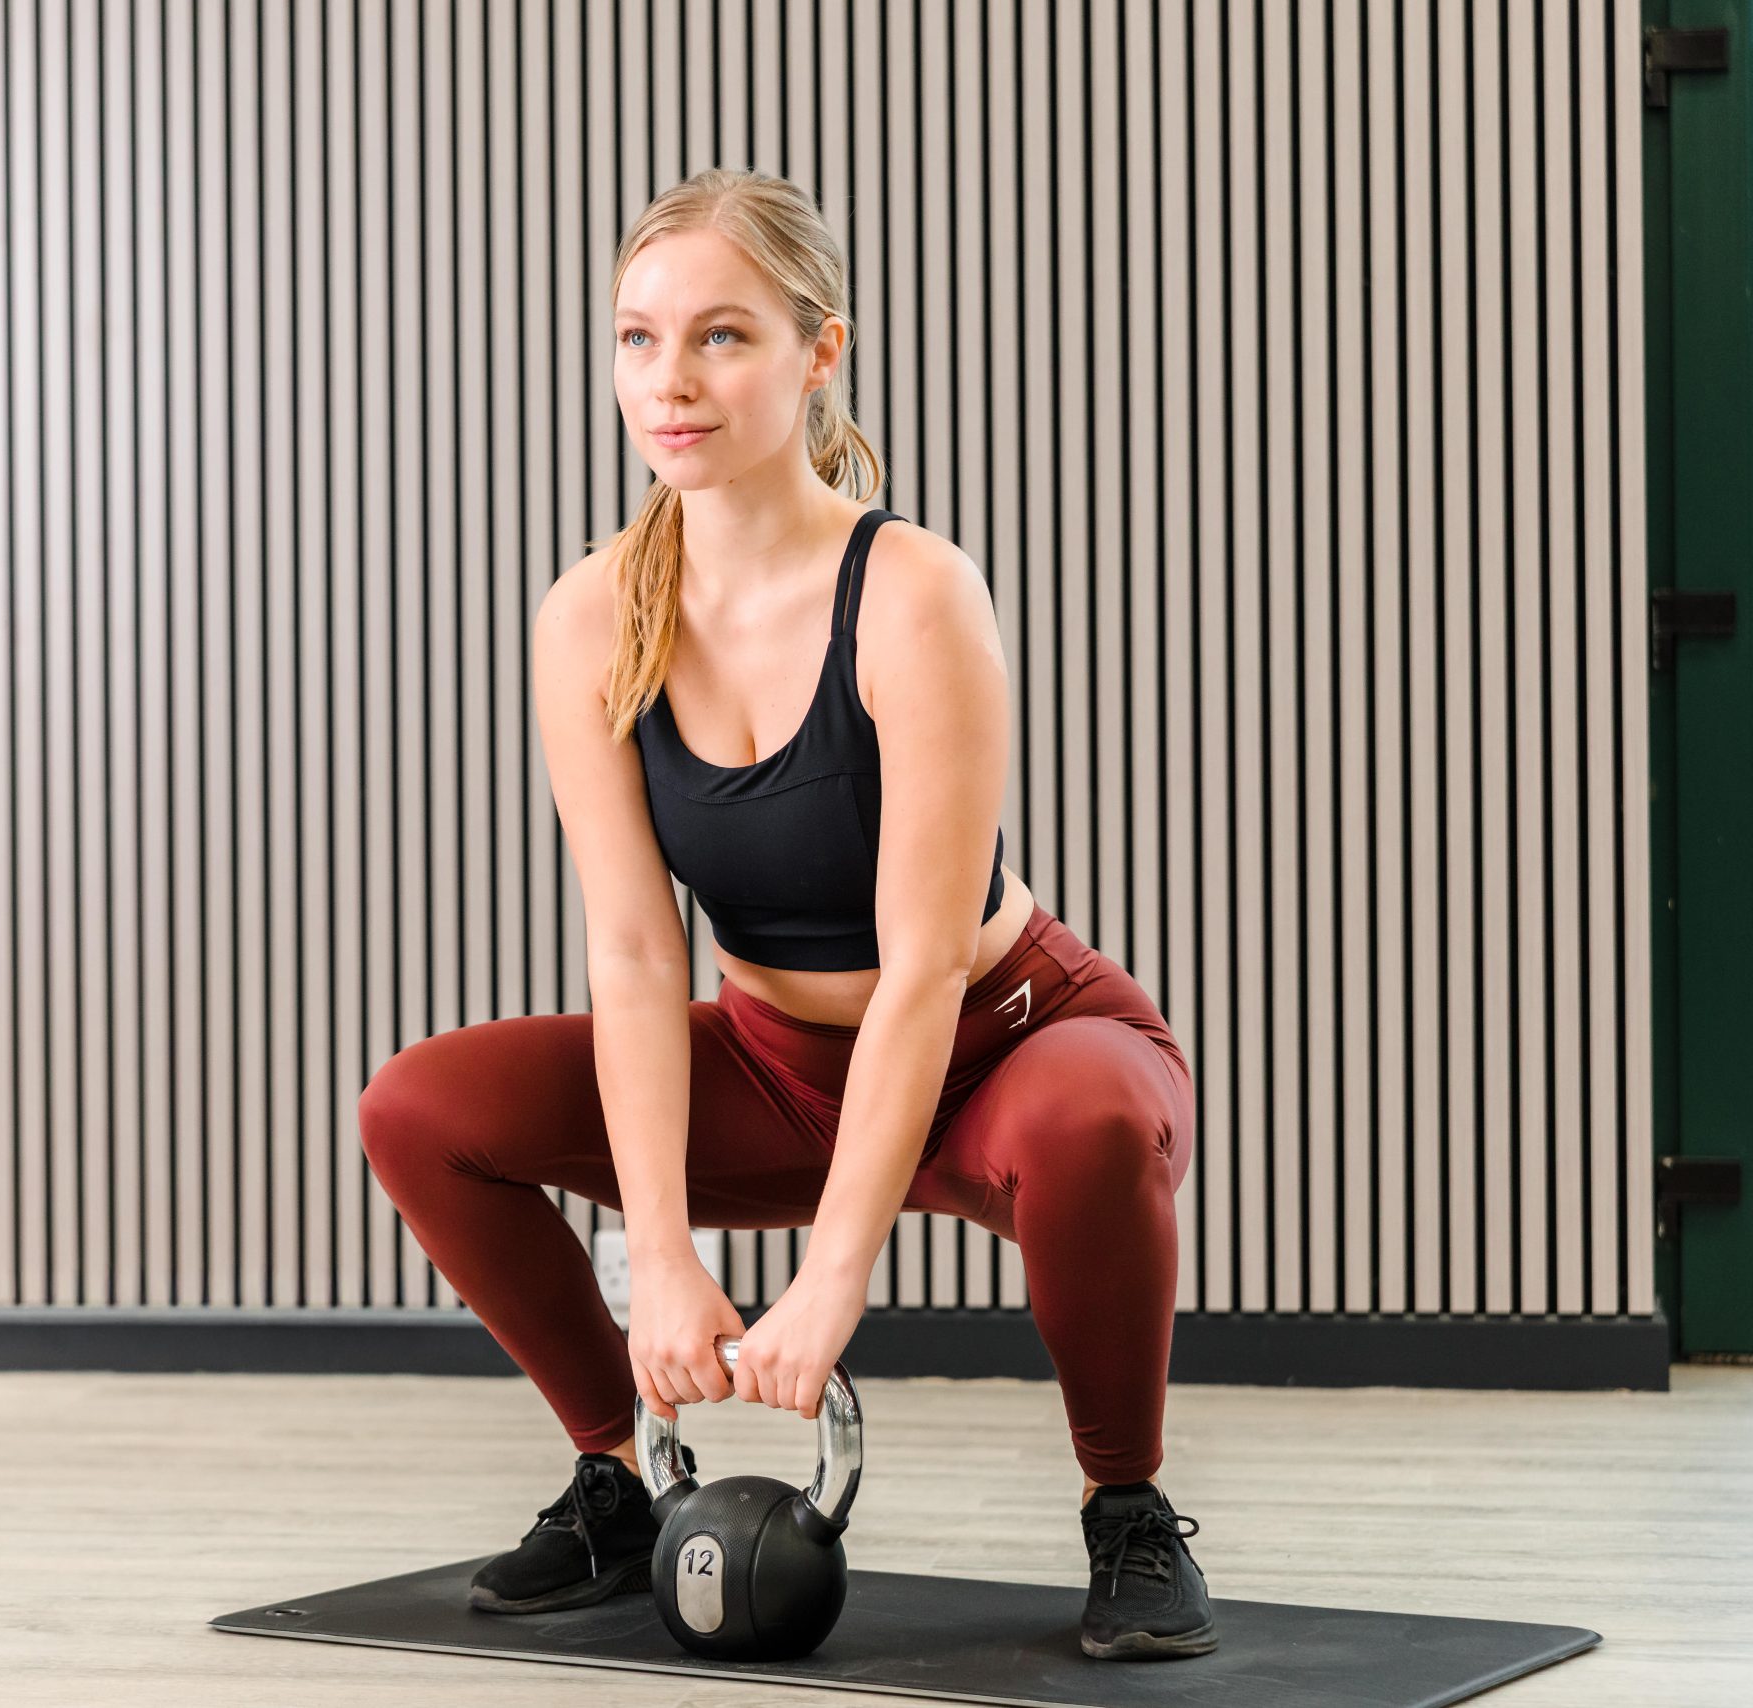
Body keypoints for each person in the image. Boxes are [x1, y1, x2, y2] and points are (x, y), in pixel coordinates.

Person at [357, 168, 1212, 1662]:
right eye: (637, 338)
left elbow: (926, 966)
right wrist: (668, 1262)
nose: (667, 384)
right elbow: (634, 952)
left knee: (1085, 1128)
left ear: (821, 353)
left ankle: (1127, 1509)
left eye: (722, 338)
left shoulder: (914, 592)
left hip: (1006, 1044)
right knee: (422, 1108)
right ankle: (616, 1479)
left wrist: (832, 1278)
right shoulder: (589, 615)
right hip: (771, 1063)